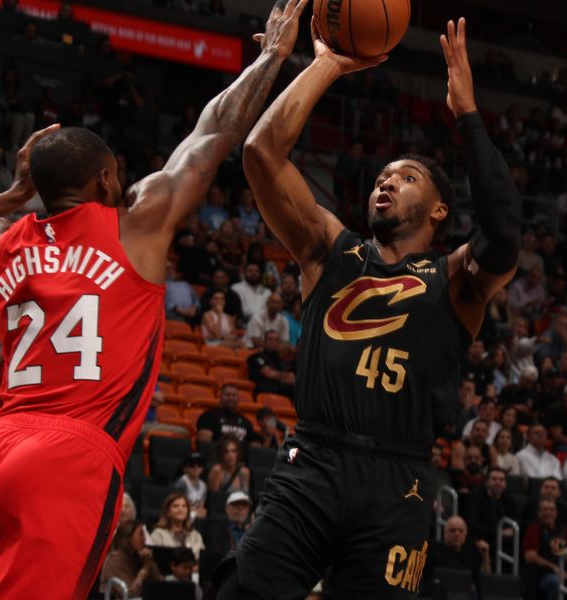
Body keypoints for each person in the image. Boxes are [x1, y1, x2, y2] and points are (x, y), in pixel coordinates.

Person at [0, 2, 308, 595]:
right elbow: (214, 132)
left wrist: (10, 198)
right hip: (67, 455)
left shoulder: (1, 240)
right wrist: (270, 56)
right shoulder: (135, 226)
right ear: (106, 182)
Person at [218, 17, 521, 599]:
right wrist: (327, 63)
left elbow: (504, 235)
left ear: (437, 211)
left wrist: (468, 116)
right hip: (312, 463)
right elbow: (261, 153)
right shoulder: (329, 249)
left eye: (406, 178)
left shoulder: (455, 279)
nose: (386, 184)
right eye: (382, 176)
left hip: (399, 482)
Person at [523, 497, 567, 600]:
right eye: (545, 509)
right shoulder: (534, 529)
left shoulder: (562, 530)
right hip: (543, 575)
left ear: (556, 513)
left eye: (551, 509)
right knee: (555, 581)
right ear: (538, 513)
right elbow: (530, 556)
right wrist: (554, 568)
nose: (548, 512)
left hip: (564, 572)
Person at [100, 519, 162, 598]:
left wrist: (150, 562)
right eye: (141, 534)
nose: (144, 539)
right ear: (128, 537)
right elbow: (130, 593)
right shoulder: (114, 560)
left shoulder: (139, 557)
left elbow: (160, 586)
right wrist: (145, 568)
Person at [463, 467, 517, 551]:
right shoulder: (475, 499)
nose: (498, 482)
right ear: (487, 482)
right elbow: (473, 525)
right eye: (494, 479)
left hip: (504, 543)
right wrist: (499, 532)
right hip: (482, 541)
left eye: (501, 480)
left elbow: (514, 522)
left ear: (505, 484)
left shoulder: (509, 500)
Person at [150, 492, 206, 560]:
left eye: (184, 506)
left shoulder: (195, 535)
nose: (181, 509)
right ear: (167, 512)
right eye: (176, 506)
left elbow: (202, 560)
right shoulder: (158, 534)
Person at [246, 330, 296, 398]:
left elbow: (292, 378)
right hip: (264, 392)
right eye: (270, 339)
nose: (274, 342)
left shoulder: (282, 360)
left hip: (284, 392)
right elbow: (269, 374)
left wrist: (277, 375)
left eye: (277, 339)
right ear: (264, 342)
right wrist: (284, 376)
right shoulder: (257, 357)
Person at [175, 452, 208, 522]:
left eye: (199, 465)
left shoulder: (204, 486)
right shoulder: (182, 482)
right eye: (191, 465)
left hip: (195, 517)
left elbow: (201, 507)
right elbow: (178, 504)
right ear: (185, 468)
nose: (196, 467)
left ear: (202, 468)